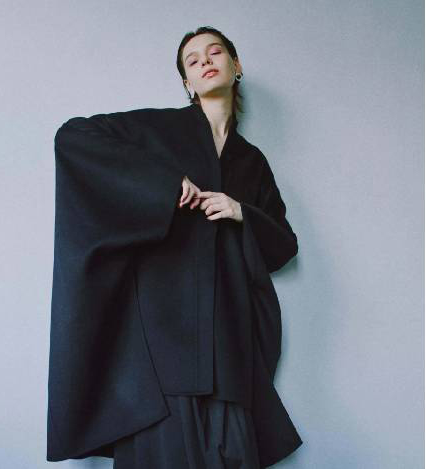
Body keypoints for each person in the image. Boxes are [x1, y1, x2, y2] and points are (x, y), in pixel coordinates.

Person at [47, 26, 303, 468]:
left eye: (215, 52)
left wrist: (241, 211)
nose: (205, 61)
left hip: (228, 339)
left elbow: (283, 247)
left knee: (233, 448)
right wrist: (164, 182)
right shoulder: (159, 129)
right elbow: (73, 136)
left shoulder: (251, 161)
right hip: (162, 338)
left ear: (236, 66)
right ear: (187, 82)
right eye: (193, 60)